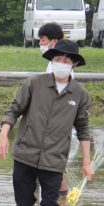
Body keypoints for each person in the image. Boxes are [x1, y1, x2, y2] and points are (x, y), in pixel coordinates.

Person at [0, 40, 93, 206]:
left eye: (65, 60)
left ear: (74, 64)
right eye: (57, 59)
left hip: (54, 161)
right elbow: (14, 110)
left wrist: (87, 162)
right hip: (25, 155)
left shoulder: (79, 94)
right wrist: (4, 134)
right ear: (51, 61)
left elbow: (84, 130)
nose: (61, 63)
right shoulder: (34, 84)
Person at [39, 22, 72, 195]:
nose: (40, 44)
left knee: (53, 166)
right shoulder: (52, 63)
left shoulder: (61, 66)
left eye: (43, 40)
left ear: (54, 41)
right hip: (51, 123)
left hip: (57, 124)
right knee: (57, 168)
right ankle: (63, 199)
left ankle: (60, 199)